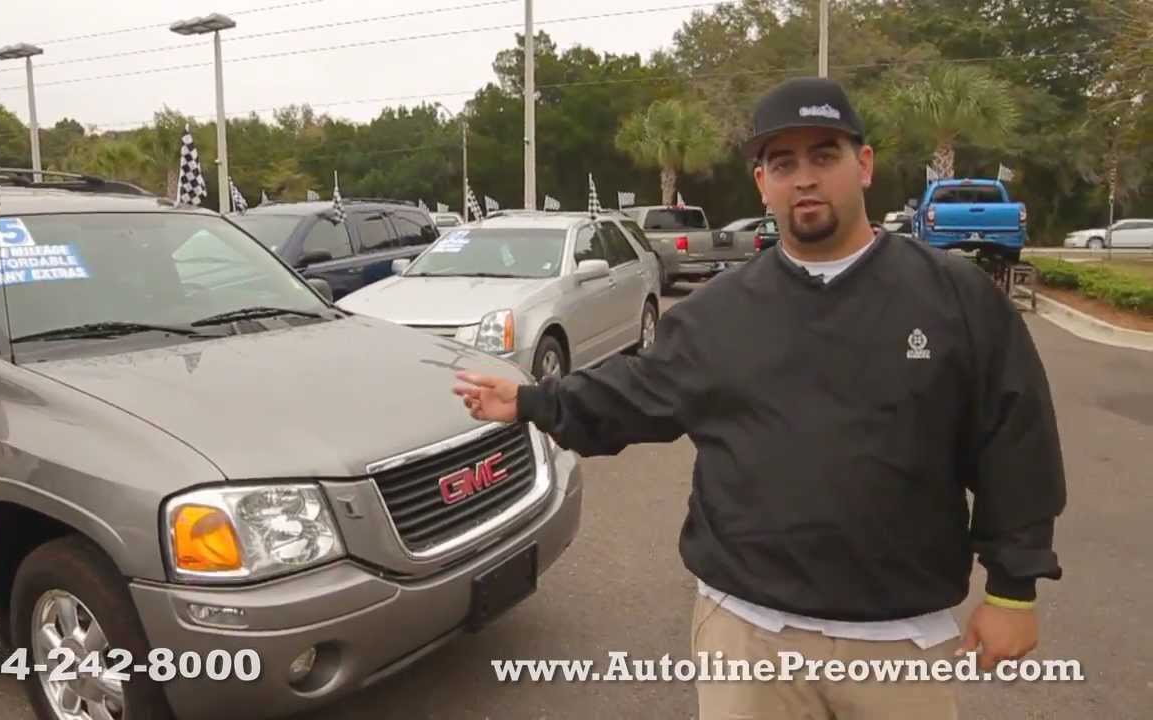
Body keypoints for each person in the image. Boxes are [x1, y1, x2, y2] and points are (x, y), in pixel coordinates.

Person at [453, 76, 1066, 719]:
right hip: (747, 635)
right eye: (783, 163)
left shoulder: (954, 298)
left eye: (823, 156)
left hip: (901, 640)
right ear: (761, 183)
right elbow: (635, 392)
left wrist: (1013, 590)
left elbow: (1014, 439)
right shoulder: (718, 313)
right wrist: (532, 402)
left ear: (863, 165)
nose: (804, 178)